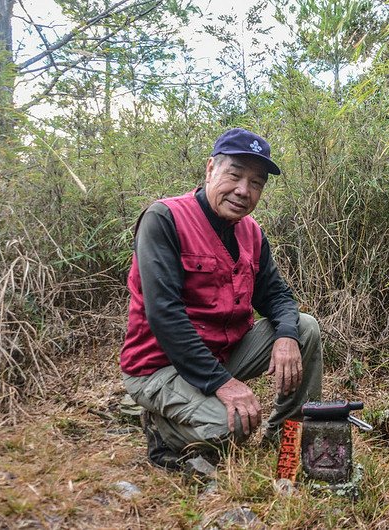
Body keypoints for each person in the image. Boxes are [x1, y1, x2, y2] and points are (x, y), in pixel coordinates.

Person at [120, 128, 323, 472]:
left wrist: (286, 335)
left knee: (304, 327)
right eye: (235, 175)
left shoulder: (251, 232)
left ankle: (286, 436)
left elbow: (277, 296)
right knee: (232, 426)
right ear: (210, 168)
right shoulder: (164, 219)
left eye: (256, 183)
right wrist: (225, 385)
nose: (244, 190)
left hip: (221, 355)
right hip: (159, 366)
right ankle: (161, 427)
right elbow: (164, 315)